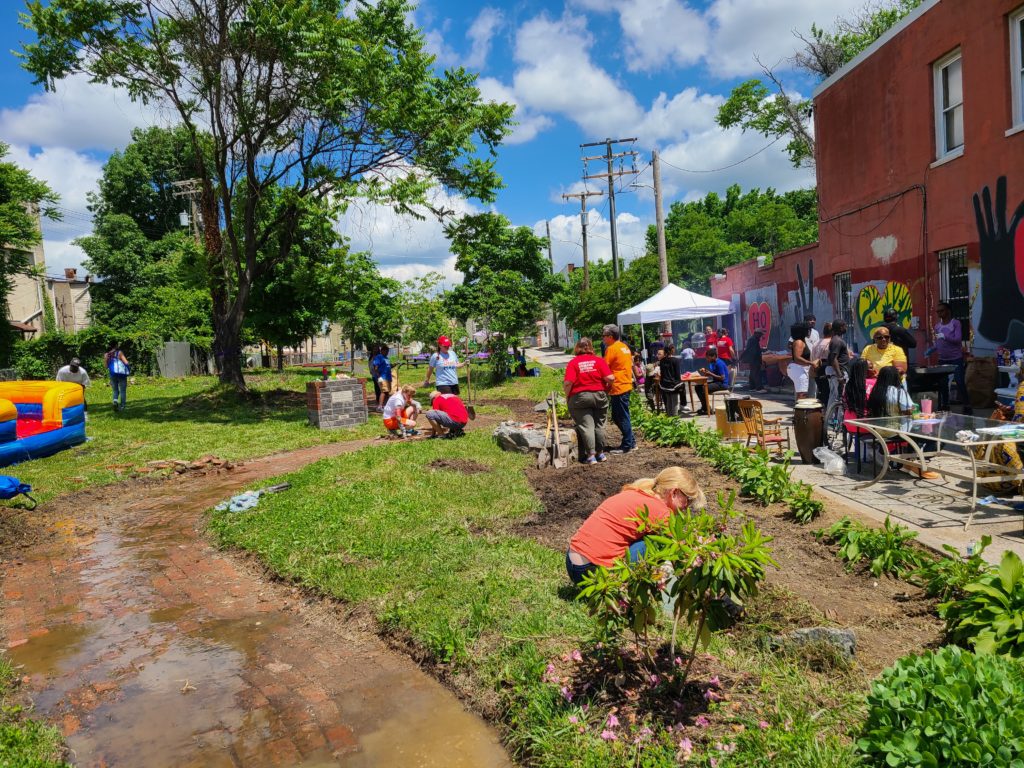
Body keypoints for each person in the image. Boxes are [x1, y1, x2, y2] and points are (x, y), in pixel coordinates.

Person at [565, 467, 705, 585]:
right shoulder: (660, 511)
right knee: (658, 544)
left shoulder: (636, 493)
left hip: (573, 563)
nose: (687, 507)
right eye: (688, 500)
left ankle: (655, 581)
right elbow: (681, 549)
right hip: (592, 572)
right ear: (674, 492)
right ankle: (658, 583)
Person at [563, 338, 614, 464]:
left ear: (577, 348)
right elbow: (611, 378)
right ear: (591, 347)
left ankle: (591, 456)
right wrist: (606, 390)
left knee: (587, 426)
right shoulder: (599, 361)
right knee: (599, 425)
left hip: (581, 397)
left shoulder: (574, 362)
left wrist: (567, 396)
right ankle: (600, 453)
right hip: (599, 395)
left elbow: (568, 383)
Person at [602, 324, 636, 454]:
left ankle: (627, 445)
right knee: (619, 416)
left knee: (621, 416)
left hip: (618, 386)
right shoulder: (624, 347)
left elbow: (604, 368)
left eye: (604, 336)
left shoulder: (611, 349)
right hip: (625, 384)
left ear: (610, 336)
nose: (603, 338)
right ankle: (631, 441)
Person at [934, 301, 971, 414]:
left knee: (959, 381)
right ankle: (945, 405)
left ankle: (967, 405)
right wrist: (932, 349)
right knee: (943, 383)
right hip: (942, 359)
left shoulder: (955, 323)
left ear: (948, 311)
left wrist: (945, 336)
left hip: (956, 358)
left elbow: (957, 339)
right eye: (938, 311)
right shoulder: (937, 326)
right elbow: (938, 343)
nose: (939, 313)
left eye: (942, 311)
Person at [826, 321, 852, 413]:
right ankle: (839, 418)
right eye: (845, 326)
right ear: (841, 327)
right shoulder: (837, 341)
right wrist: (840, 375)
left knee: (834, 396)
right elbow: (833, 359)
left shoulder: (835, 339)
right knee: (840, 397)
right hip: (839, 371)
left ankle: (831, 418)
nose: (846, 328)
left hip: (837, 371)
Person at [695, 347, 729, 416]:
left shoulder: (719, 363)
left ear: (713, 356)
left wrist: (710, 374)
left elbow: (722, 378)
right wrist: (707, 373)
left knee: (703, 388)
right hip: (717, 382)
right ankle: (705, 407)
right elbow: (715, 374)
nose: (707, 359)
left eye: (708, 358)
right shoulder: (714, 363)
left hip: (722, 384)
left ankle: (706, 409)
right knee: (697, 387)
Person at [787, 322, 814, 400]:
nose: (809, 331)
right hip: (799, 369)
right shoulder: (799, 342)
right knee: (802, 394)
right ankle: (801, 407)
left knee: (801, 393)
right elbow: (797, 358)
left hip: (800, 369)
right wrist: (811, 363)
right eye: (808, 330)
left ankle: (799, 407)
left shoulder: (801, 341)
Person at [658, 343, 686, 416]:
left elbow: (662, 374)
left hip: (664, 385)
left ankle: (669, 417)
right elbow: (677, 374)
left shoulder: (662, 361)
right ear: (672, 351)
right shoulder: (676, 360)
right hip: (673, 385)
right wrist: (679, 383)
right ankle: (674, 418)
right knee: (674, 402)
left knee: (668, 401)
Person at [740, 329, 767, 393]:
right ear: (756, 334)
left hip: (752, 359)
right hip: (754, 359)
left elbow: (752, 349)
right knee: (757, 373)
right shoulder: (753, 340)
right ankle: (759, 388)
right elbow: (754, 351)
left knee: (752, 373)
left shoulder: (753, 339)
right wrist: (761, 351)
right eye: (760, 334)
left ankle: (752, 387)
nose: (761, 336)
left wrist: (761, 350)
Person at [105, 343, 130, 411]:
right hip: (121, 374)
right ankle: (122, 406)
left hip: (112, 374)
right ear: (115, 346)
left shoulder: (107, 354)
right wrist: (127, 369)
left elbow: (106, 366)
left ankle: (115, 401)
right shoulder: (119, 353)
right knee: (123, 391)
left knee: (115, 390)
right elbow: (126, 362)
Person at [813, 323, 833, 406]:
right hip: (829, 368)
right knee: (830, 391)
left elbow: (813, 358)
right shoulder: (832, 342)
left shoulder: (816, 343)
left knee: (821, 390)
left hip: (818, 368)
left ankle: (821, 409)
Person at [371, 343, 392, 411]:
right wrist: (379, 377)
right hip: (382, 377)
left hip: (388, 377)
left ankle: (385, 406)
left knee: (387, 392)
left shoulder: (386, 358)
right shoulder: (379, 357)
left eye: (388, 351)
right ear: (382, 351)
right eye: (386, 351)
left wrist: (394, 364)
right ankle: (380, 407)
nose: (387, 353)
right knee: (383, 391)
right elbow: (376, 368)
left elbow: (388, 366)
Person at [645, 348, 664, 412]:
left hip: (656, 386)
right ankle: (653, 409)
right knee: (650, 395)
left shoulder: (655, 366)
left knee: (660, 390)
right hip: (650, 388)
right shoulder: (649, 374)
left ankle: (657, 406)